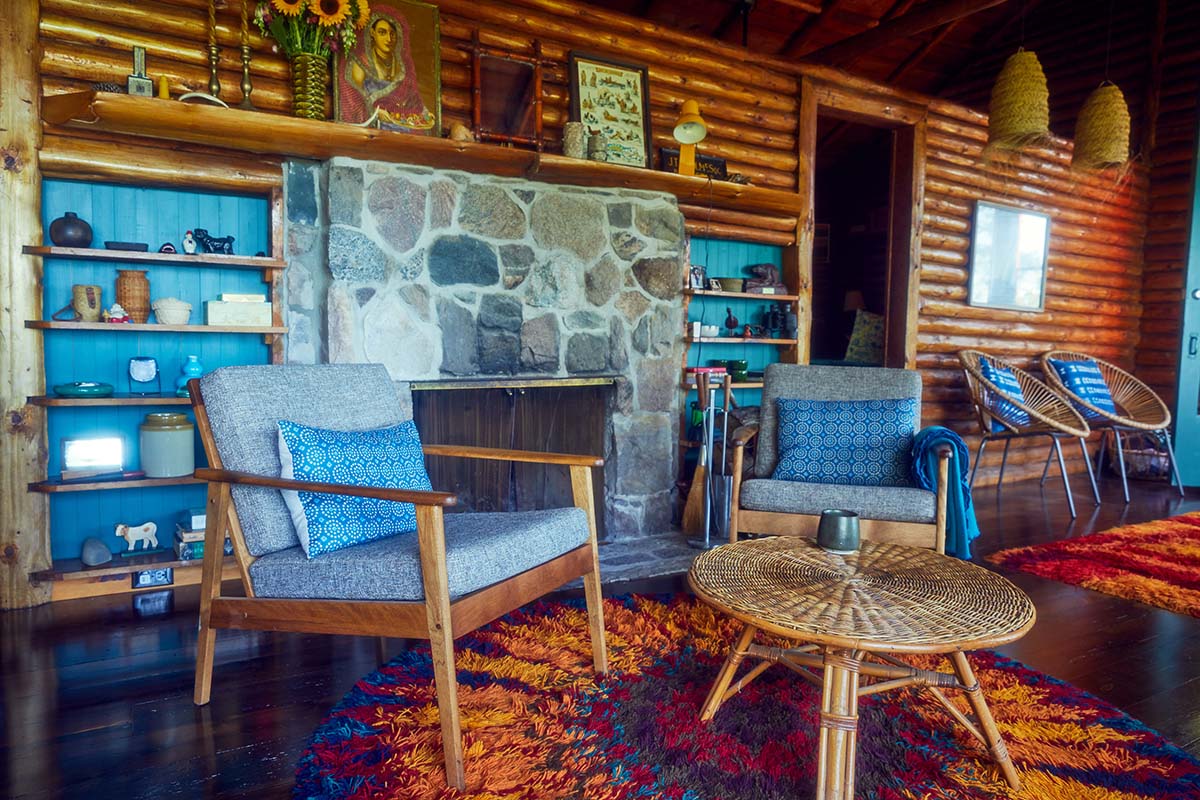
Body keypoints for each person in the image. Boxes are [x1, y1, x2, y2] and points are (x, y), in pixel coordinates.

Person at [339, 8, 436, 133]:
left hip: (404, 135)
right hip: (370, 134)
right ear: (372, 33)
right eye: (382, 32)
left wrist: (425, 114)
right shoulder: (360, 64)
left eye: (392, 33)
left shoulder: (403, 69)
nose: (389, 39)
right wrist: (375, 113)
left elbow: (414, 101)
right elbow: (353, 102)